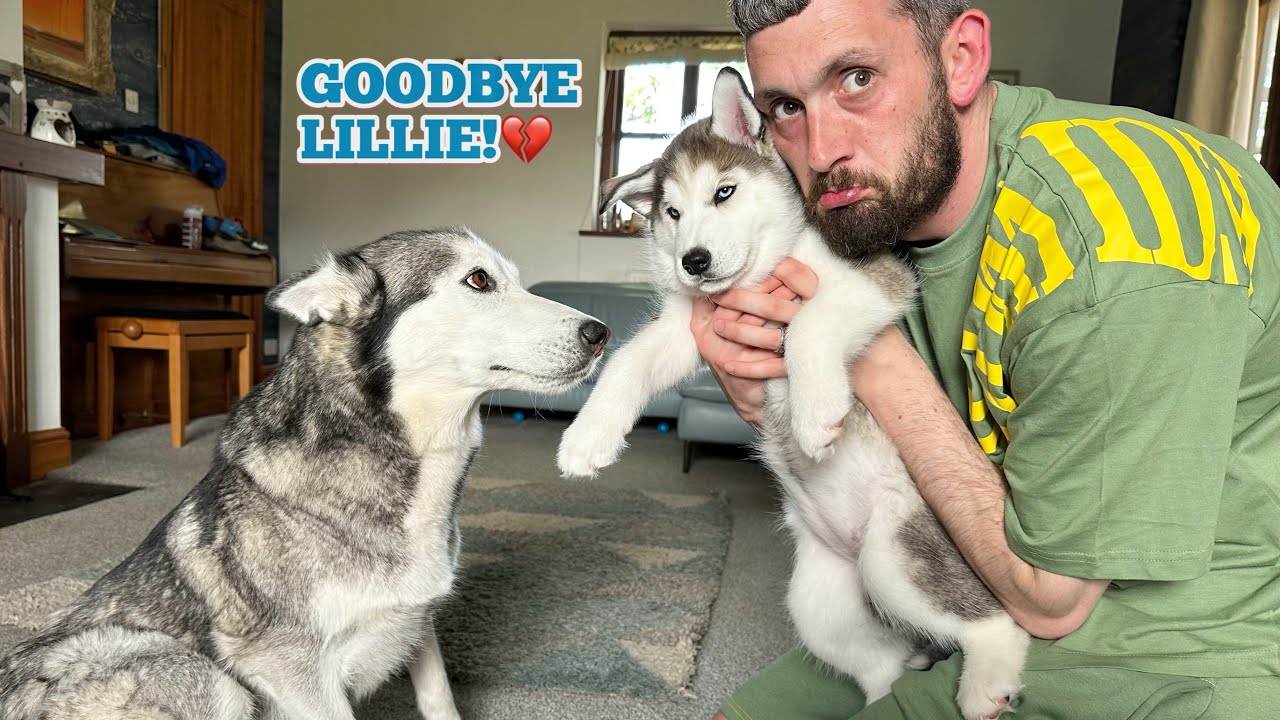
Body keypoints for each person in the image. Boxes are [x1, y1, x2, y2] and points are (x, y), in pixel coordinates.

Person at [692, 1, 1280, 718]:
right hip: (953, 564)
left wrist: (866, 352)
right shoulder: (877, 201)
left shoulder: (1113, 237)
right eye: (786, 105)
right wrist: (754, 370)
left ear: (962, 56)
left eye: (855, 79)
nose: (819, 152)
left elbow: (1052, 600)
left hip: (1155, 653)